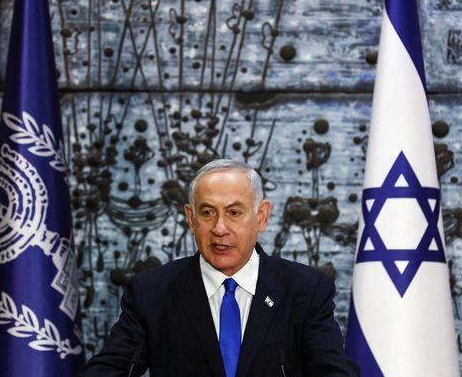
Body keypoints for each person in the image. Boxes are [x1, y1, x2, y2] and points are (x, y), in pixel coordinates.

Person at [81, 159, 358, 377]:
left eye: (234, 213)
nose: (220, 228)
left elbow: (333, 370)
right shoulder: (152, 293)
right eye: (207, 212)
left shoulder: (305, 291)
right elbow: (112, 368)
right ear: (191, 219)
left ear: (261, 217)